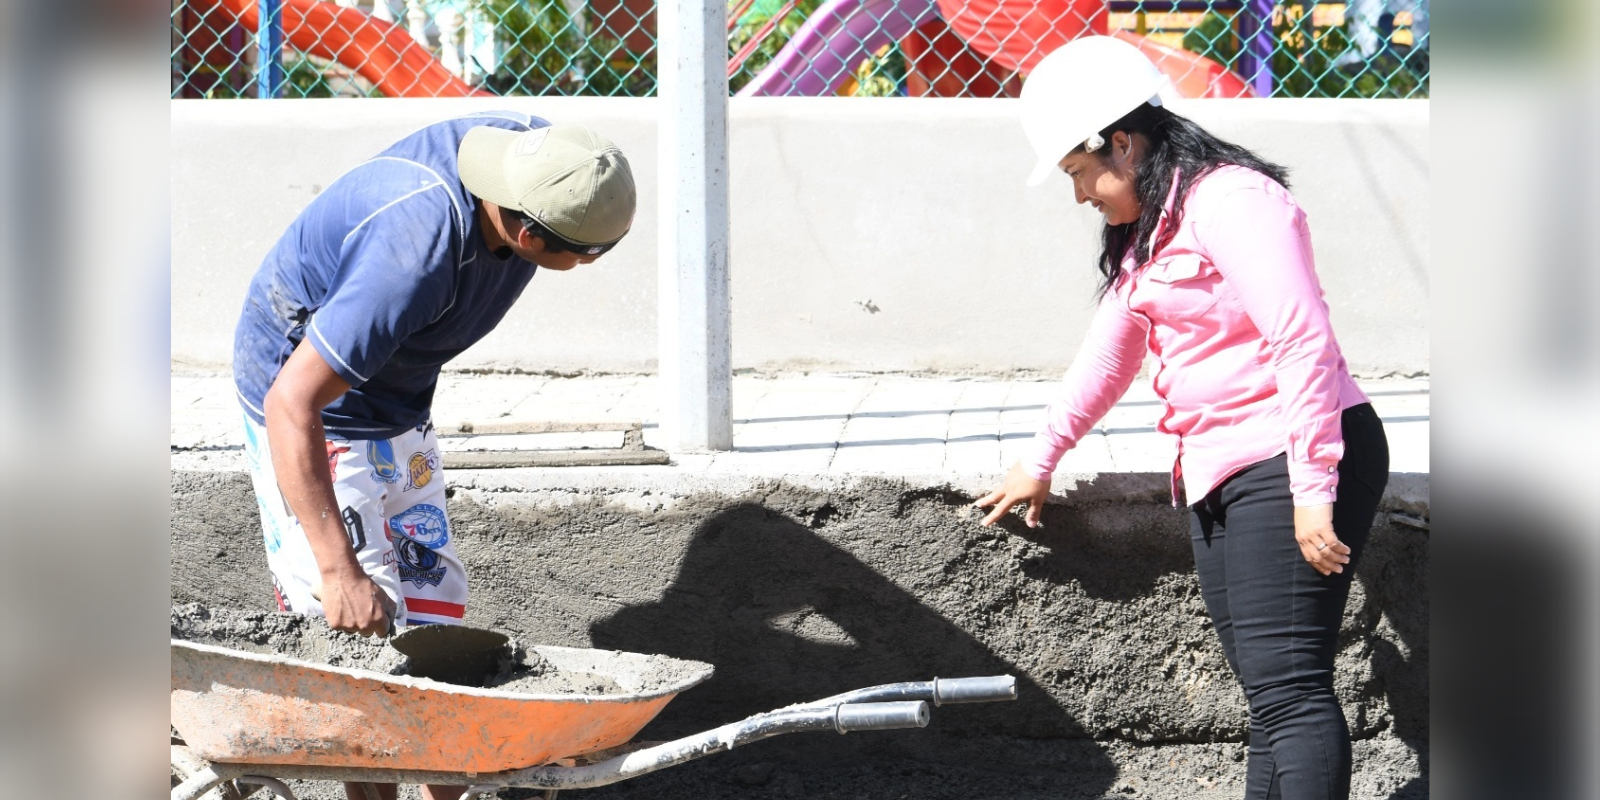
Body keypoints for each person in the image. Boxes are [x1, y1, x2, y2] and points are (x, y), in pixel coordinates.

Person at [973, 37, 1389, 800]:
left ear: (1121, 143)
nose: (1080, 196)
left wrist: (1312, 486)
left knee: (1291, 693)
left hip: (1292, 457)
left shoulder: (1233, 200)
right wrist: (1041, 457)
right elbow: (1107, 358)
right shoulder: (1152, 231)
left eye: (1077, 172)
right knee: (1270, 699)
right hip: (1221, 469)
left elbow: (1300, 338)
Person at [231, 111, 635, 800]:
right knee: (362, 645)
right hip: (316, 413)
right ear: (528, 232)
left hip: (395, 403)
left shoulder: (544, 160)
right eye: (587, 254)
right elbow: (290, 403)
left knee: (433, 622)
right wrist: (338, 571)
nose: (589, 265)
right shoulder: (412, 256)